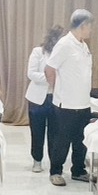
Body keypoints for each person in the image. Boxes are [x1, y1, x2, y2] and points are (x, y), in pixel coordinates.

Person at [46, 9, 95, 187]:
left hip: (83, 102)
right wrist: (57, 89)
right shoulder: (64, 44)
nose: (91, 30)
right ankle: (56, 172)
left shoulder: (83, 45)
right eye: (90, 26)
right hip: (65, 104)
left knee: (81, 140)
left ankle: (78, 170)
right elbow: (49, 68)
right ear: (83, 25)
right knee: (61, 140)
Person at [26, 25, 62, 173]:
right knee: (37, 132)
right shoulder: (38, 52)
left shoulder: (63, 54)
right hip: (37, 99)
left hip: (56, 98)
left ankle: (55, 162)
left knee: (55, 133)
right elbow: (31, 74)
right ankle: (37, 160)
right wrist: (50, 78)